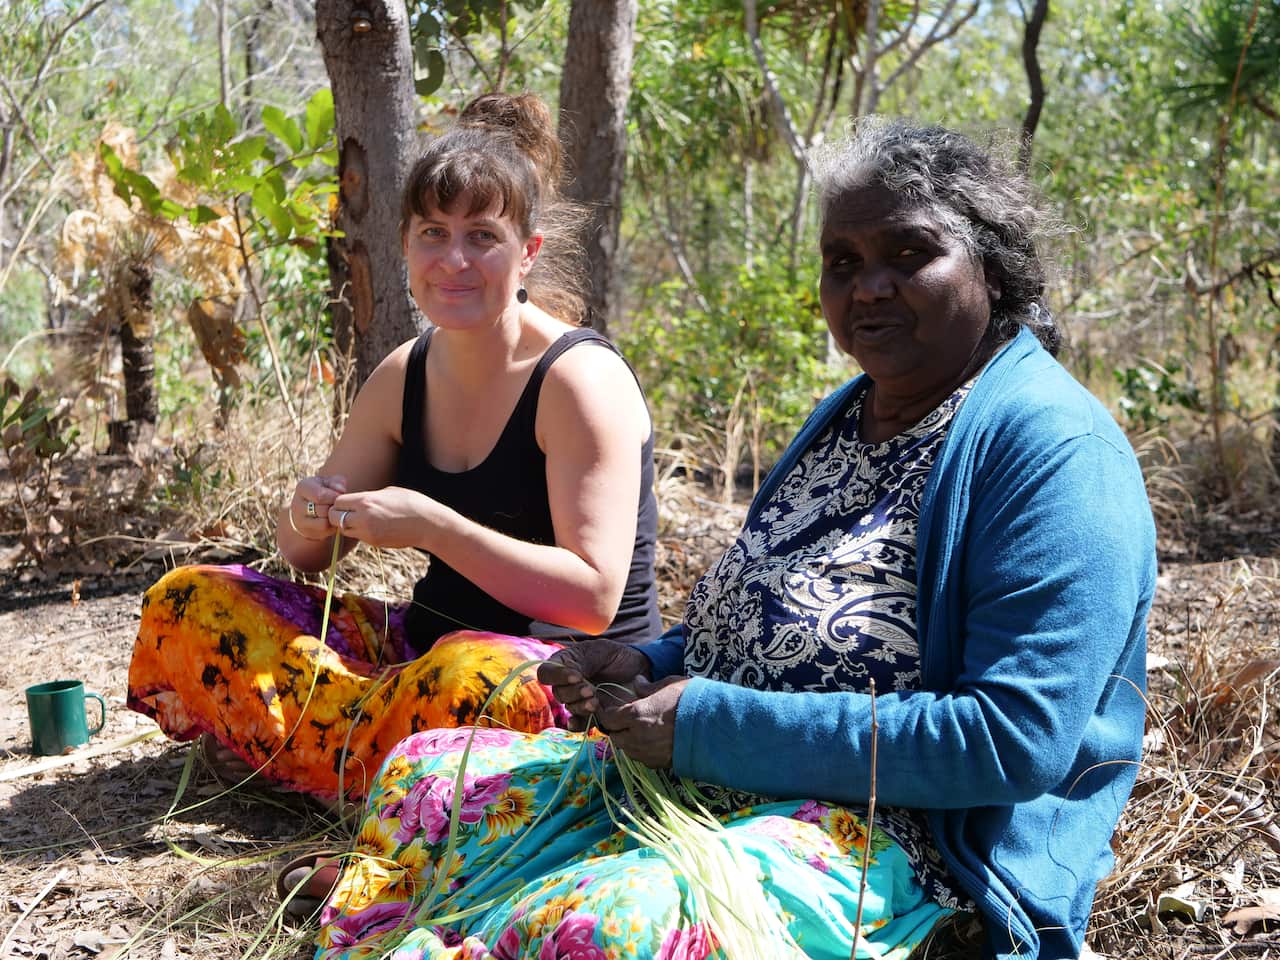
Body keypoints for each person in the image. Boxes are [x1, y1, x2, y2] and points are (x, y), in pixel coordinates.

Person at [307, 118, 1156, 960]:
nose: (869, 289)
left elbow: (1011, 741)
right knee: (427, 777)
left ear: (993, 267)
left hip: (902, 849)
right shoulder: (851, 415)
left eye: (909, 255)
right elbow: (764, 621)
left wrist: (710, 723)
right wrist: (651, 664)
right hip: (721, 785)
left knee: (621, 924)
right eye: (844, 263)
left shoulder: (1051, 449)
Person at [126, 92, 661, 805]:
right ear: (405, 244)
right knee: (189, 599)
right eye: (433, 234)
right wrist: (311, 511)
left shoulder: (579, 380)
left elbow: (593, 599)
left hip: (562, 682)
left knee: (468, 682)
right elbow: (304, 554)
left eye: (482, 237)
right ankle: (380, 767)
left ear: (526, 253)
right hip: (423, 654)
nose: (454, 260)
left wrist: (433, 526)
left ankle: (330, 758)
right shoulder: (403, 373)